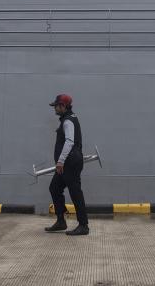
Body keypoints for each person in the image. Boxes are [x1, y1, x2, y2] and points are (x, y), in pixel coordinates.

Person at [44, 94, 89, 236]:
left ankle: (83, 226)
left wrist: (60, 161)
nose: (55, 109)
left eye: (56, 106)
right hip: (67, 163)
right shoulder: (68, 119)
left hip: (70, 163)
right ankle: (61, 221)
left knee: (75, 193)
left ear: (63, 106)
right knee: (54, 188)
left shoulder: (68, 121)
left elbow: (69, 142)